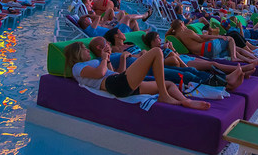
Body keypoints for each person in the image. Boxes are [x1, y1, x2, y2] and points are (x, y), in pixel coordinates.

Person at [64, 41, 210, 109]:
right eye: (84, 49)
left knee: (169, 84)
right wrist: (103, 59)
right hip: (115, 84)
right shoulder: (77, 67)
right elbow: (100, 73)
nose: (87, 50)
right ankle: (164, 96)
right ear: (77, 53)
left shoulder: (92, 63)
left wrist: (107, 59)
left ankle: (186, 101)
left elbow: (113, 73)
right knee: (156, 52)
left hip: (120, 83)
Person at [167, 20, 258, 65]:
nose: (185, 24)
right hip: (207, 48)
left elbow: (167, 34)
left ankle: (251, 60)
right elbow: (201, 39)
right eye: (183, 23)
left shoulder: (177, 35)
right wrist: (218, 37)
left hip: (203, 53)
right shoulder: (187, 32)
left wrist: (174, 26)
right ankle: (235, 58)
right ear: (181, 24)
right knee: (230, 39)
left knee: (235, 49)